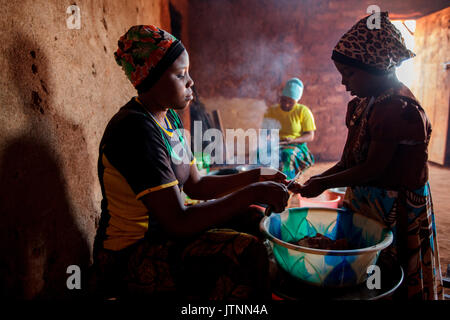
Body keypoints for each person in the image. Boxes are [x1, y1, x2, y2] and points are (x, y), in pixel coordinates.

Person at [91, 25, 290, 300]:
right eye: (180, 74)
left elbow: (197, 185)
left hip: (165, 232)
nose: (191, 82)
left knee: (254, 217)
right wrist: (254, 191)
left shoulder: (168, 119)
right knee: (247, 253)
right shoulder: (135, 131)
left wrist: (259, 175)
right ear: (151, 78)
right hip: (131, 254)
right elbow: (178, 222)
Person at [295, 12, 443, 300]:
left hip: (396, 208)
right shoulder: (363, 104)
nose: (343, 83)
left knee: (392, 272)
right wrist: (318, 178)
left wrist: (323, 184)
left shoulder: (399, 110)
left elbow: (373, 169)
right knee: (364, 270)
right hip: (365, 202)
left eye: (349, 74)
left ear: (377, 66)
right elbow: (349, 162)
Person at [262, 78, 316, 179]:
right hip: (276, 143)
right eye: (284, 100)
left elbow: (310, 136)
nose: (286, 104)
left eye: (291, 102)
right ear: (280, 97)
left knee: (287, 155)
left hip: (296, 144)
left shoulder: (303, 111)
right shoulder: (271, 111)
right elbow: (265, 132)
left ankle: (286, 183)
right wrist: (268, 138)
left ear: (297, 101)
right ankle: (266, 182)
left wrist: (293, 140)